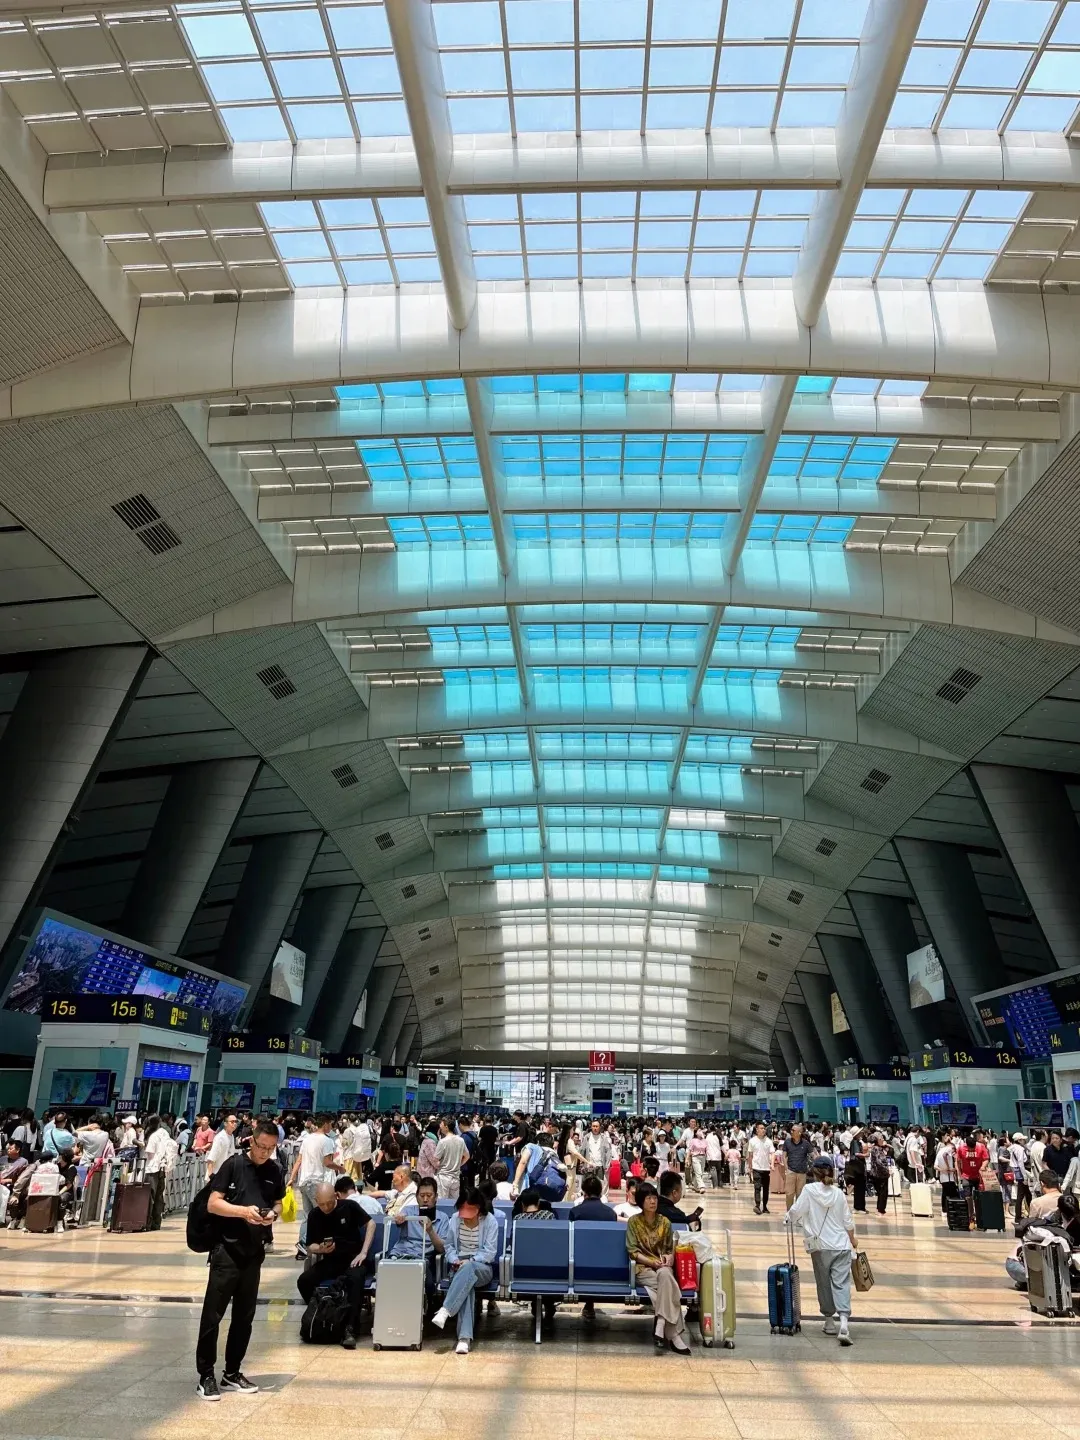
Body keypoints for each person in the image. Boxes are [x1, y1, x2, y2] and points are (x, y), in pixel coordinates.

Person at [195, 1118, 284, 1401]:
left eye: (271, 1149)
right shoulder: (233, 1165)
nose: (264, 1153)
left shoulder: (274, 1170)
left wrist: (273, 1214)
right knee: (213, 1315)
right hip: (226, 1252)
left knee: (244, 1318)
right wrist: (243, 1212)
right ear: (252, 1140)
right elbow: (213, 1203)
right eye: (261, 1147)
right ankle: (206, 1375)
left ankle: (232, 1371)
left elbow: (279, 1202)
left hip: (253, 1254)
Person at [296, 1181, 377, 1349]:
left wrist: (363, 1252)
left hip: (354, 1259)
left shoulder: (349, 1207)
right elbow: (310, 1246)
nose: (326, 1207)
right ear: (316, 1201)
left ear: (336, 1196)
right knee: (304, 1280)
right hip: (330, 1259)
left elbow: (371, 1223)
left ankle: (350, 1328)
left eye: (329, 1203)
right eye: (321, 1204)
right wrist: (321, 1249)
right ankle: (323, 1313)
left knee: (355, 1280)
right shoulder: (315, 1215)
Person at [786, 1156, 857, 1347]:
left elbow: (795, 1211)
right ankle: (844, 1323)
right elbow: (848, 1220)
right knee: (841, 1284)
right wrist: (852, 1239)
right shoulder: (839, 1193)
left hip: (821, 1247)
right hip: (841, 1245)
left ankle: (829, 1322)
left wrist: (788, 1218)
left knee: (824, 1283)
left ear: (814, 1172)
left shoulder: (809, 1191)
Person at [430, 1186, 499, 1354]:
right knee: (467, 1289)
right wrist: (454, 1260)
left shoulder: (490, 1221)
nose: (466, 1217)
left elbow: (489, 1252)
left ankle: (446, 1310)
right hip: (458, 1267)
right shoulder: (455, 1219)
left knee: (468, 1269)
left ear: (479, 1209)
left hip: (482, 1267)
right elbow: (449, 1246)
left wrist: (470, 1261)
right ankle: (464, 1339)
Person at [625, 1183, 690, 1354]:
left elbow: (670, 1250)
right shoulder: (634, 1222)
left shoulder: (665, 1222)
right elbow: (632, 1251)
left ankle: (661, 1323)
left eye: (655, 1198)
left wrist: (669, 1258)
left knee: (665, 1276)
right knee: (668, 1286)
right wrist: (651, 1262)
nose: (653, 1202)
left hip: (662, 1267)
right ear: (641, 1201)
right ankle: (674, 1336)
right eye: (649, 1198)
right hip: (643, 1267)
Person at [288, 1113, 341, 1258]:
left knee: (308, 1216)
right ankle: (309, 1244)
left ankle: (303, 1249)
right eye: (330, 1124)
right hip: (317, 1183)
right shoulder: (327, 1141)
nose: (331, 1127)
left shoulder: (307, 1139)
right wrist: (340, 1168)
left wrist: (292, 1178)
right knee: (323, 1214)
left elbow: (299, 1160)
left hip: (304, 1181)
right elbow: (327, 1163)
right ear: (326, 1124)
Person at [142, 1113, 177, 1231]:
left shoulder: (153, 1136)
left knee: (150, 1195)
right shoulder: (164, 1133)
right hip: (163, 1168)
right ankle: (156, 1223)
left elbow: (150, 1153)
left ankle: (147, 1222)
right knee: (158, 1197)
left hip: (152, 1168)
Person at [434, 1118, 468, 1200]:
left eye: (441, 1124)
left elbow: (435, 1159)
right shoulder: (461, 1140)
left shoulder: (442, 1142)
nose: (440, 1126)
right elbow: (467, 1156)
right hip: (456, 1176)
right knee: (454, 1203)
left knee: (442, 1202)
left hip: (443, 1176)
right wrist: (458, 1165)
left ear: (446, 1127)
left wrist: (439, 1166)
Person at [783, 1123, 813, 1210]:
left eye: (793, 1130)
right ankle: (789, 1214)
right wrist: (786, 1168)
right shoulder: (787, 1142)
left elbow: (813, 1155)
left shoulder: (806, 1144)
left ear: (799, 1133)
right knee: (789, 1194)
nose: (791, 1132)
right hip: (791, 1171)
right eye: (791, 1130)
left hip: (802, 1173)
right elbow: (784, 1156)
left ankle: (798, 1215)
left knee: (800, 1195)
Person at [747, 1121, 775, 1215]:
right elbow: (750, 1155)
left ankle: (765, 1206)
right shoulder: (752, 1141)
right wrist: (750, 1167)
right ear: (757, 1130)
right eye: (761, 1128)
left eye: (764, 1128)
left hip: (766, 1168)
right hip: (756, 1167)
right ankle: (757, 1205)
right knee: (757, 1187)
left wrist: (772, 1164)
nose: (763, 1130)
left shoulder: (769, 1141)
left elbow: (772, 1153)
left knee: (766, 1189)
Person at [205, 1113, 238, 1180]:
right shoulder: (220, 1137)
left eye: (236, 1121)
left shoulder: (231, 1136)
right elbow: (211, 1159)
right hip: (216, 1175)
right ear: (225, 1124)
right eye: (232, 1122)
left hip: (226, 1175)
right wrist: (211, 1177)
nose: (234, 1123)